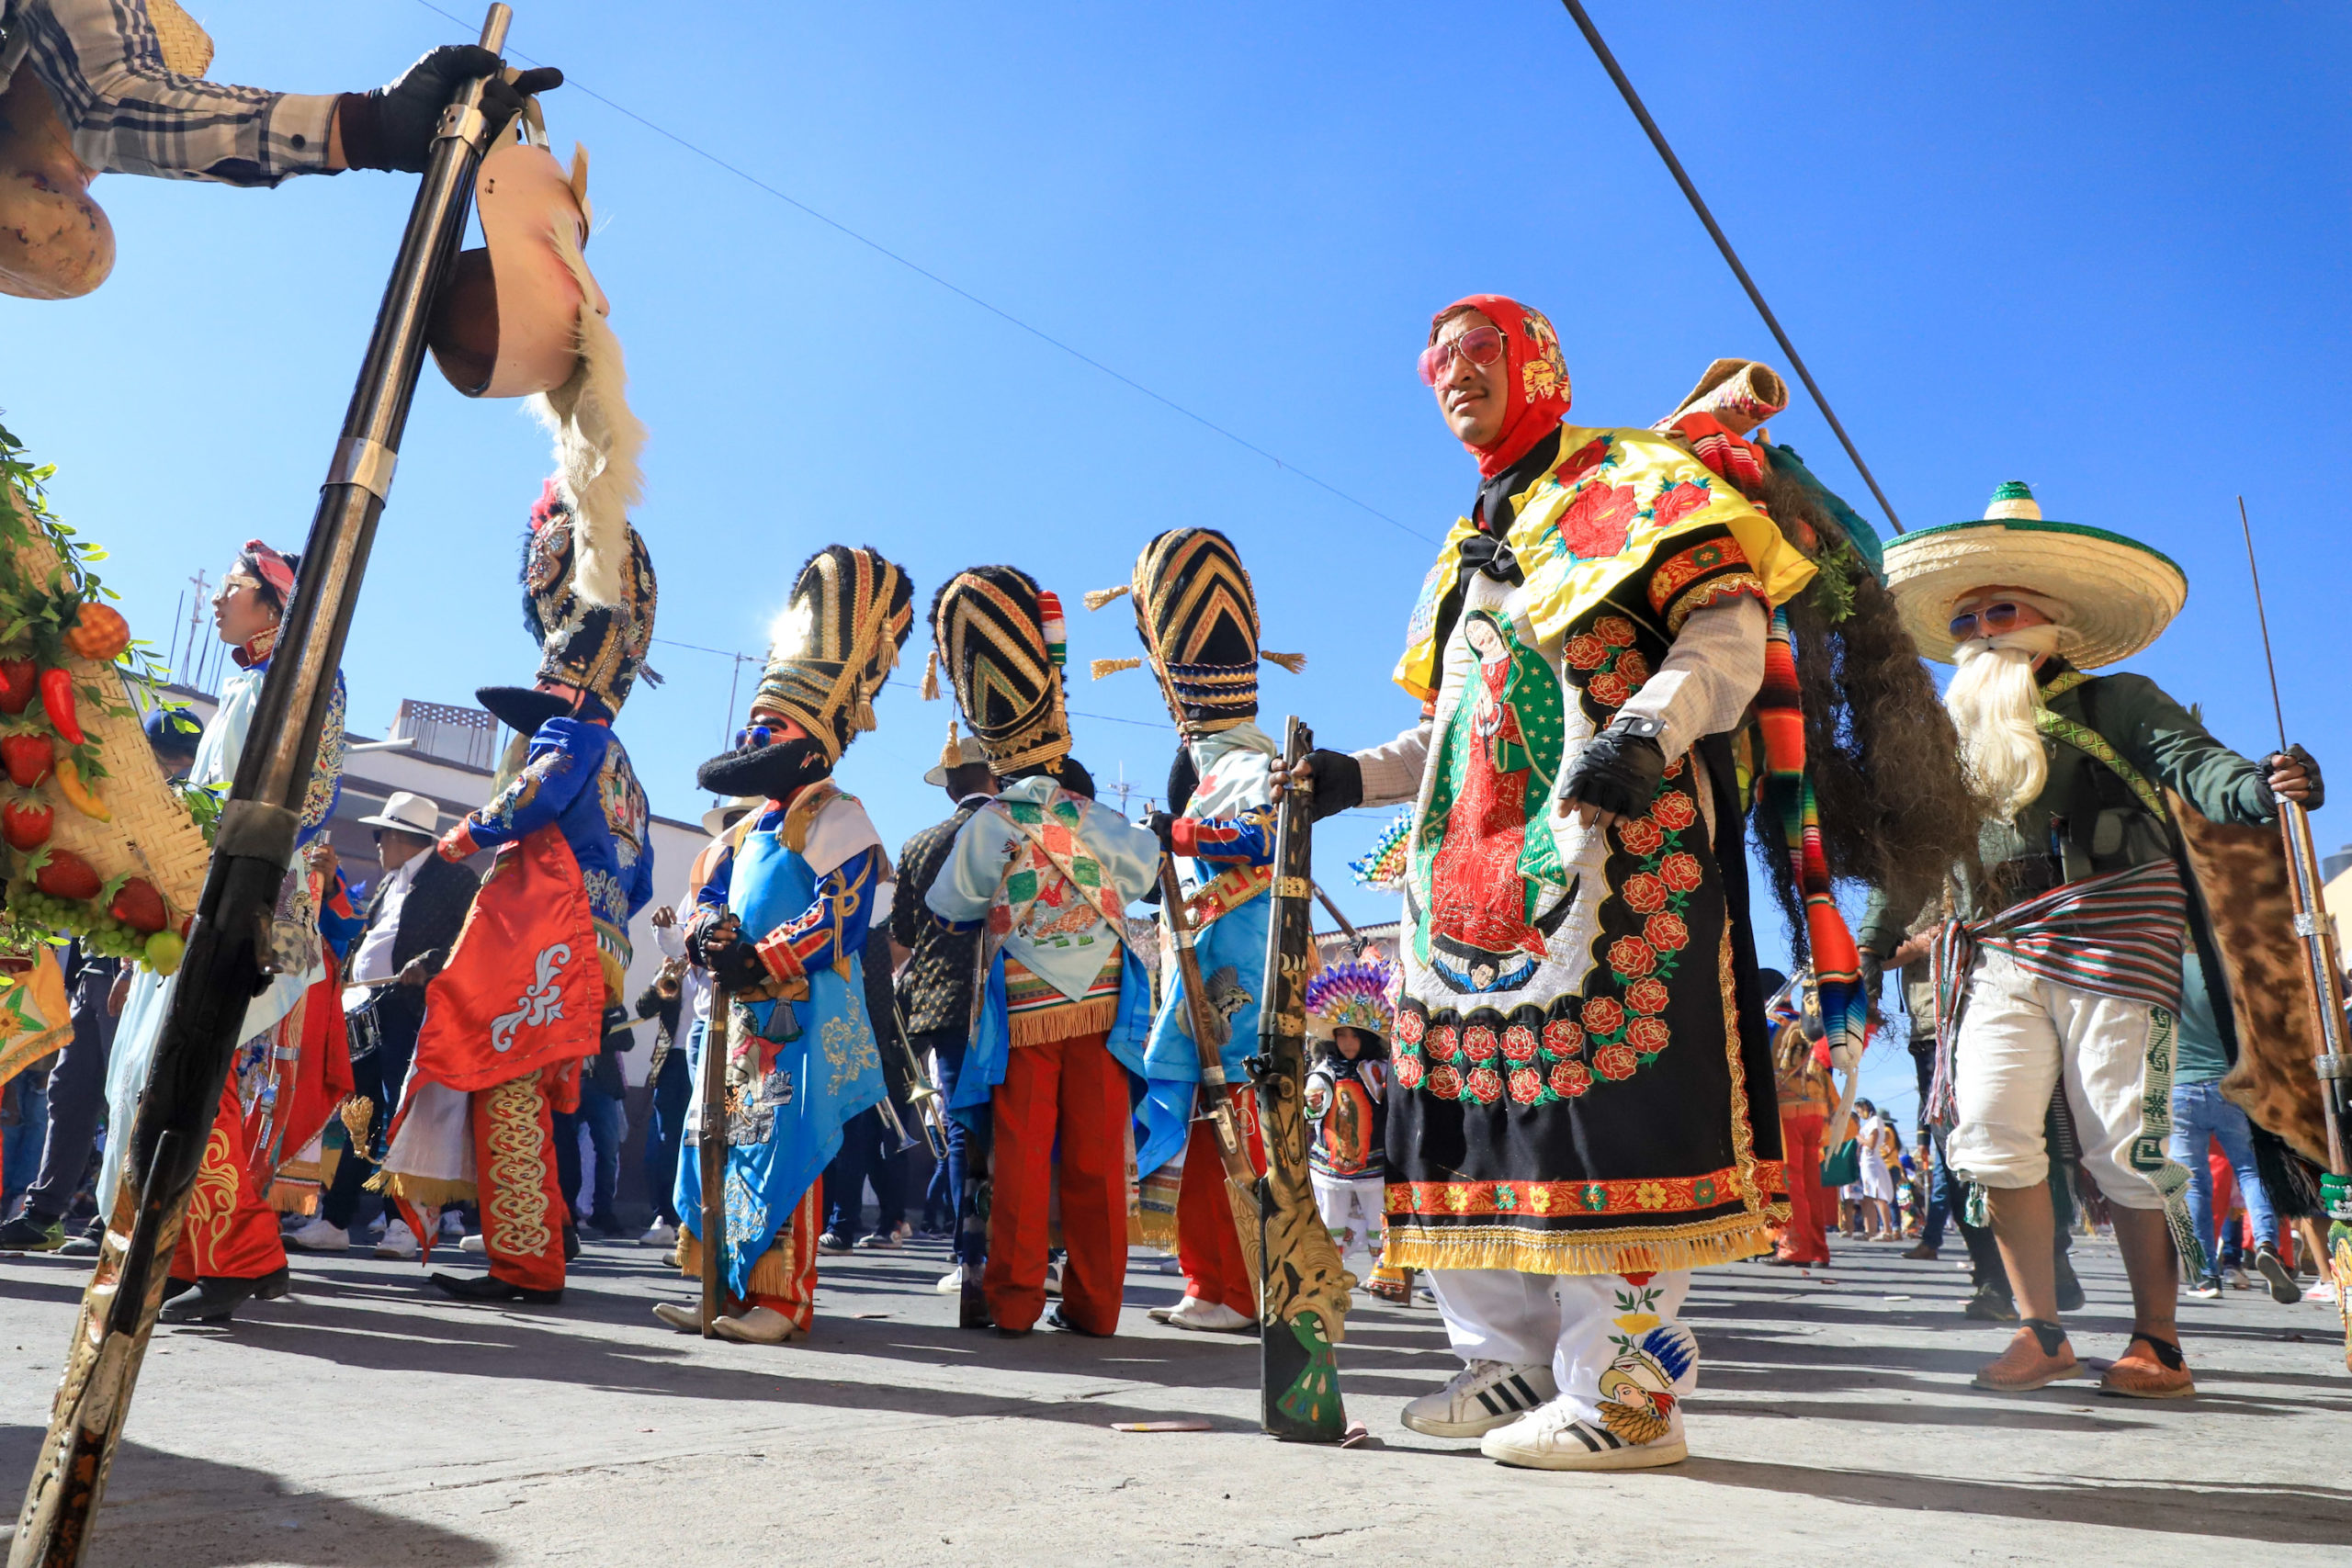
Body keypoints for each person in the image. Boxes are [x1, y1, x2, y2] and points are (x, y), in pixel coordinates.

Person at [1882, 481, 2320, 1397]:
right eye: (1965, 617)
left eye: (1999, 609)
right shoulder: (1950, 731)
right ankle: (2040, 1331)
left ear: (2051, 621)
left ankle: (2156, 1341)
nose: (1981, 628)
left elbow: (2195, 766)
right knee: (1990, 1131)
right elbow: (1916, 854)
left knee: (2125, 1141)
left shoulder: (2117, 698)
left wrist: (2262, 787)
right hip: (1996, 949)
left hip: (2116, 931)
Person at [379, 479, 658, 1306]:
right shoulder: (627, 773)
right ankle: (526, 1257)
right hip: (583, 949)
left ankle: (527, 1264)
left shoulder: (569, 737)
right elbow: (637, 882)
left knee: (509, 1092)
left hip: (544, 935)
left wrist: (465, 835)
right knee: (528, 1100)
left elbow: (533, 792)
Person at [661, 546, 912, 1345]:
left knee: (784, 1154)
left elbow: (843, 914)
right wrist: (708, 935)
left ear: (810, 742)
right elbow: (699, 897)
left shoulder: (837, 814)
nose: (751, 737)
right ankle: (719, 1289)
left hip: (793, 1015)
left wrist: (758, 956)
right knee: (719, 1149)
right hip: (731, 1018)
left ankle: (783, 1298)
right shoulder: (742, 829)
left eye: (769, 728)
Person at [96, 545, 345, 1324]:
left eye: (232, 588)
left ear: (275, 607)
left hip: (252, 910)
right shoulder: (248, 683)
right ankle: (171, 1251)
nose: (215, 599)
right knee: (167, 1075)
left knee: (201, 1076)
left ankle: (233, 1255)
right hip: (216, 900)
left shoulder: (298, 682)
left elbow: (291, 806)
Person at [922, 565, 1159, 1338]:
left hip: (1025, 1007)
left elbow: (950, 903)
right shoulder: (1095, 816)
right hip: (1100, 1003)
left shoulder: (990, 822)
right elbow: (1151, 866)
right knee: (1096, 1159)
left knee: (1021, 1159)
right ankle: (1097, 1306)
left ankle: (1017, 1301)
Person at [1086, 528, 1304, 1335]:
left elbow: (1261, 835)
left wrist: (1175, 836)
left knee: (1233, 1131)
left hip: (1238, 975)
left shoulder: (1241, 763)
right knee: (1214, 1133)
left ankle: (1233, 1287)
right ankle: (1210, 1281)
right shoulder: (1219, 761)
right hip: (1214, 969)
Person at [288, 791, 478, 1257]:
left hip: (411, 1009)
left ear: (399, 836)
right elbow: (367, 934)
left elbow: (471, 936)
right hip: (370, 1007)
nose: (376, 843)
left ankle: (403, 1223)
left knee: (397, 1111)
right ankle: (336, 1220)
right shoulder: (394, 881)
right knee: (363, 1113)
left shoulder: (453, 879)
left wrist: (430, 961)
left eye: (379, 834)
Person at [891, 726, 998, 1323]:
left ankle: (969, 1256)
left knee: (962, 1127)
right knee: (1018, 1121)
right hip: (1014, 996)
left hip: (943, 1004)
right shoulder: (1018, 830)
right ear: (995, 777)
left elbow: (900, 941)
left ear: (950, 785)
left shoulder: (920, 843)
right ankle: (1039, 1252)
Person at [1301, 955, 1397, 1293]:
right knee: (1331, 1221)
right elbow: (1311, 1110)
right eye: (1341, 1036)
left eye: (1354, 1036)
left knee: (1378, 1220)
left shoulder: (1382, 1069)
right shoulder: (1324, 1070)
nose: (1347, 1043)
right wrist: (1312, 1105)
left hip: (1373, 1161)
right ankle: (1329, 1274)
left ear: (1366, 1037)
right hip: (1330, 1162)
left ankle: (1385, 1275)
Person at [1764, 971, 1837, 1269]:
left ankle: (1793, 1246)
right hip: (1816, 1110)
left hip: (1785, 1110)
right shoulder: (1810, 1021)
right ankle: (1818, 1249)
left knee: (1789, 1180)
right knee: (1810, 1181)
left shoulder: (1769, 1020)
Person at [631, 919, 691, 1250]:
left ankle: (694, 1217)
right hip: (671, 1062)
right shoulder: (675, 964)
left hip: (711, 1056)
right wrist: (660, 983)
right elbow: (642, 1008)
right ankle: (664, 1216)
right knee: (665, 1142)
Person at [1855, 1100, 1897, 1241]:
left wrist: (1858, 1137)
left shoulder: (1875, 1121)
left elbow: (1871, 1143)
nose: (1860, 1115)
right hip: (1866, 1163)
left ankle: (1887, 1230)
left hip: (1872, 1162)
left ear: (1865, 1107)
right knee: (1868, 1197)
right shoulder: (1870, 1123)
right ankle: (1870, 1230)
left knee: (1879, 1196)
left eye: (1860, 1111)